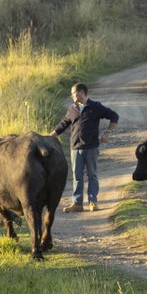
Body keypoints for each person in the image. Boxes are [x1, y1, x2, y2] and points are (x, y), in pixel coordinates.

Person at [50, 82, 119, 212]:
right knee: (77, 176)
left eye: (73, 94)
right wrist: (49, 137)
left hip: (91, 147)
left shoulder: (95, 107)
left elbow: (114, 116)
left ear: (81, 93)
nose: (72, 97)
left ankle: (93, 202)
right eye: (71, 95)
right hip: (75, 148)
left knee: (92, 175)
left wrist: (108, 133)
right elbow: (63, 125)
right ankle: (77, 203)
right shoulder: (72, 109)